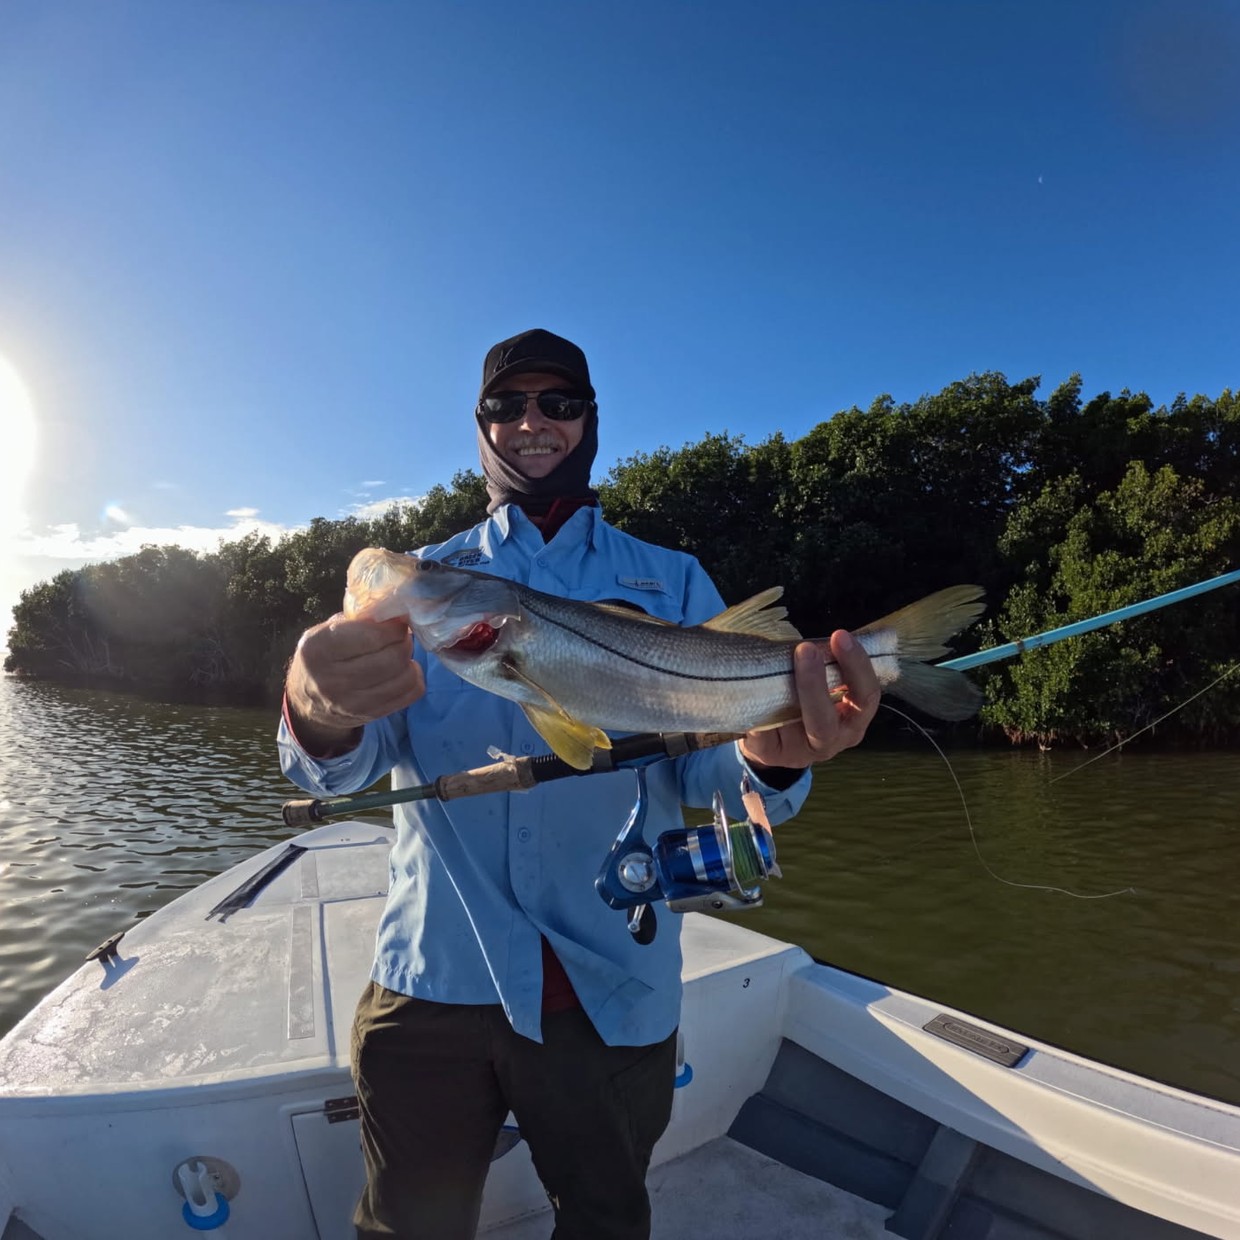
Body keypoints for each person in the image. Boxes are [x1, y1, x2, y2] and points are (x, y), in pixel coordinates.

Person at [278, 329, 880, 1240]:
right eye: (507, 406)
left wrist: (775, 756)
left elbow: (711, 771)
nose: (532, 423)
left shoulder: (673, 581)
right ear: (480, 428)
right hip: (435, 979)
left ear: (589, 421)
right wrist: (314, 706)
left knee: (604, 1220)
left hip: (613, 984)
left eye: (558, 404)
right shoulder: (427, 585)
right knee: (406, 1227)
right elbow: (345, 767)